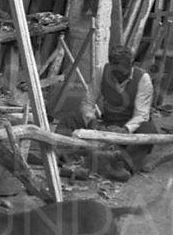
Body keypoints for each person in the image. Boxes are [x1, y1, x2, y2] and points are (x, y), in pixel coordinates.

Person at [59, 45, 157, 180]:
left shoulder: (143, 79)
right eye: (114, 72)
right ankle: (67, 156)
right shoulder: (102, 71)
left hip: (130, 128)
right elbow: (88, 102)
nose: (118, 76)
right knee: (69, 119)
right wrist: (92, 121)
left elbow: (141, 114)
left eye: (122, 73)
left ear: (131, 65)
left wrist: (124, 130)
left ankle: (121, 165)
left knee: (148, 130)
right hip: (107, 123)